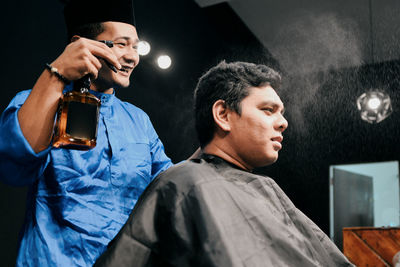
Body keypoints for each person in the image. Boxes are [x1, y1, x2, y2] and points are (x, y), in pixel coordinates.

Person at [94, 61, 354, 267]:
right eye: (268, 110)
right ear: (223, 115)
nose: (282, 122)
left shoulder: (265, 187)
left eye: (282, 113)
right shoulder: (186, 184)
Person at [0, 0, 172, 266]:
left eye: (135, 46)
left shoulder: (139, 121)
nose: (132, 56)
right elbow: (16, 163)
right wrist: (56, 74)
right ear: (79, 44)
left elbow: (169, 188)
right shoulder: (36, 100)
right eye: (120, 44)